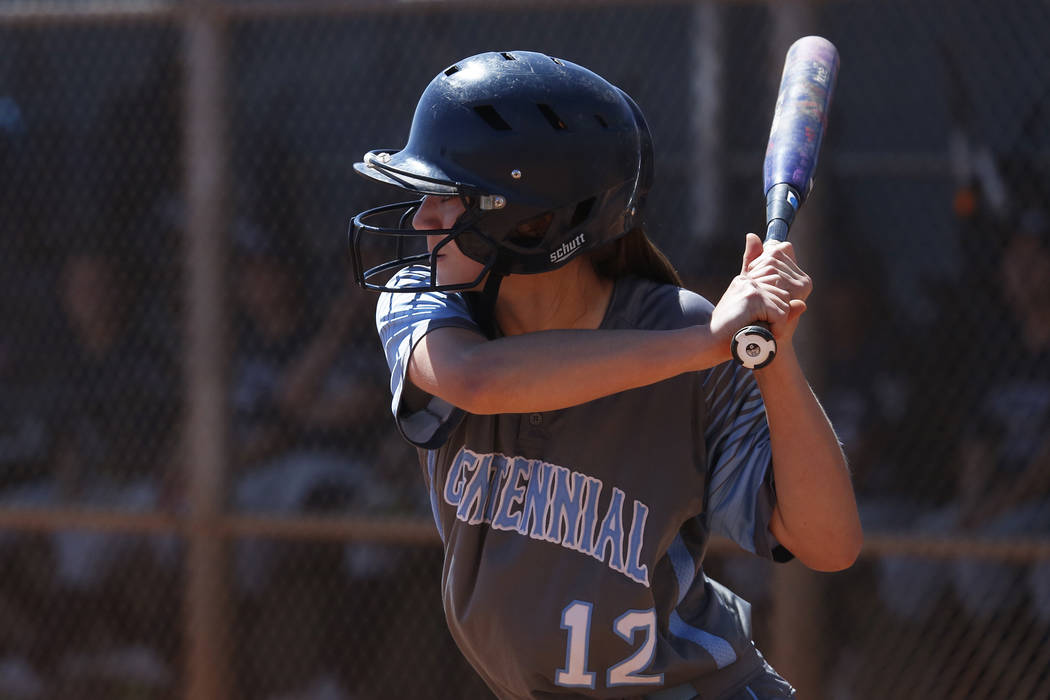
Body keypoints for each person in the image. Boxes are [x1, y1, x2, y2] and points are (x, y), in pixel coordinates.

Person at [348, 50, 862, 700]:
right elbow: (475, 380)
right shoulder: (429, 305)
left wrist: (774, 354)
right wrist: (706, 343)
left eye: (447, 199)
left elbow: (829, 541)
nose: (421, 220)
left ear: (531, 223)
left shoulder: (678, 333)